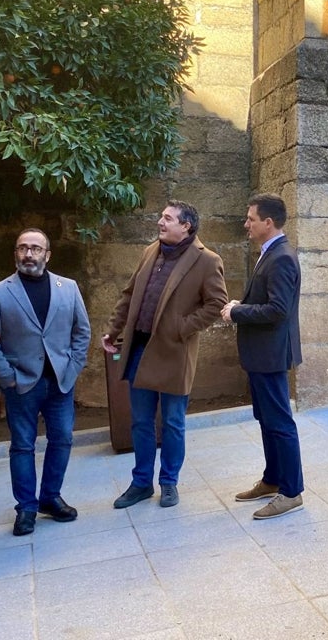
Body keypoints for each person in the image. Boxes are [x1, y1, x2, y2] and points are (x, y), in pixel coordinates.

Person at [102, 201, 228, 509]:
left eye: (167, 218)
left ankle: (169, 482)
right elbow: (130, 294)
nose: (160, 222)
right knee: (141, 421)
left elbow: (216, 304)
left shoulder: (207, 260)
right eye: (162, 217)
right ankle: (141, 483)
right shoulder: (150, 251)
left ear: (185, 226)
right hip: (139, 348)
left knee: (173, 422)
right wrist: (113, 329)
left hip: (173, 350)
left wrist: (181, 328)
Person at [0, 228, 90, 537]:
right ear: (15, 253)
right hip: (21, 384)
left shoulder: (67, 288)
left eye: (35, 249)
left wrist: (73, 367)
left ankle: (50, 497)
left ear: (47, 254)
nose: (29, 254)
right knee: (22, 445)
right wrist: (7, 379)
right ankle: (26, 507)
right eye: (22, 248)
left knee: (63, 439)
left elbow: (82, 332)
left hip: (60, 382)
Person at [221, 193, 305, 520]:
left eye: (251, 219)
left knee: (280, 423)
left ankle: (292, 491)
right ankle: (272, 480)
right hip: (261, 355)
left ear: (268, 223)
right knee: (267, 420)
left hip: (270, 355)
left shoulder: (281, 257)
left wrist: (238, 311)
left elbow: (278, 310)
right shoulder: (270, 253)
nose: (246, 224)